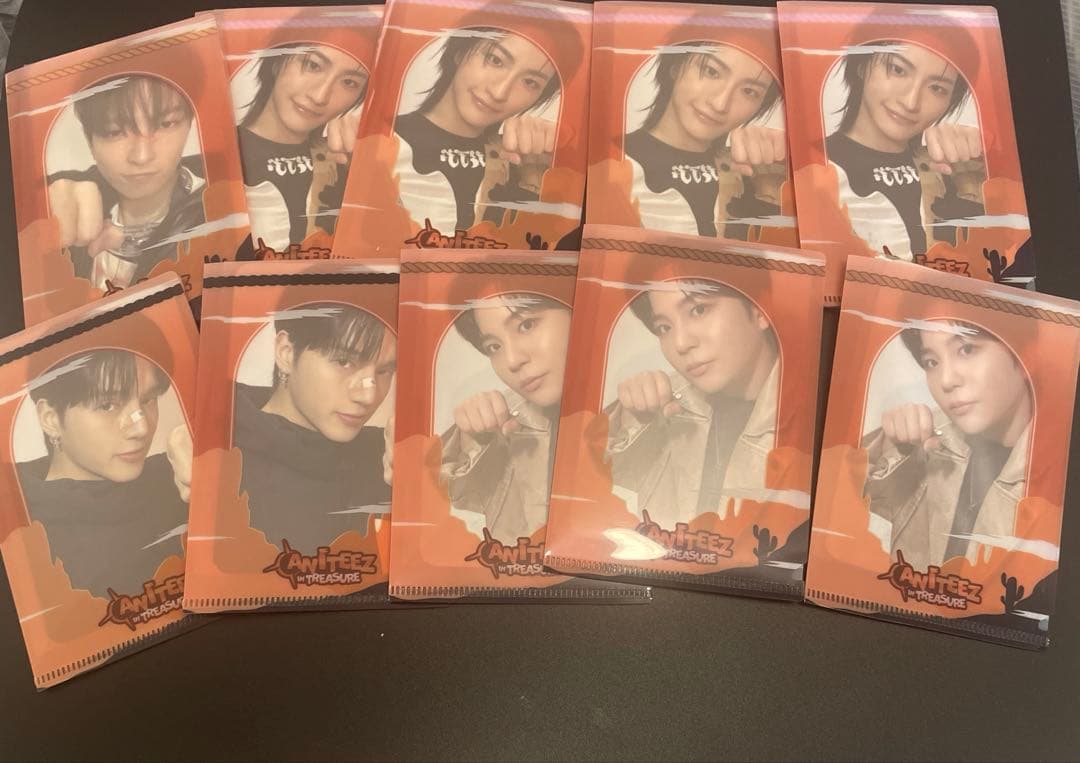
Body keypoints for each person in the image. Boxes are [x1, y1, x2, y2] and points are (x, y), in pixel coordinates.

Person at [17, 349, 192, 598]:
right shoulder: (20, 534)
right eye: (107, 405)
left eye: (148, 399)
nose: (142, 428)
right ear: (51, 419)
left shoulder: (181, 473)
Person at [605, 280, 779, 527]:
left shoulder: (817, 425)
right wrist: (627, 426)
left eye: (699, 310)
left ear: (759, 309)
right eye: (664, 327)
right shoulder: (664, 407)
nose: (680, 343)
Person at [863, 323, 1032, 571]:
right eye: (931, 362)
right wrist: (884, 450)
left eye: (966, 349)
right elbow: (830, 515)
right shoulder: (923, 441)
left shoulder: (1058, 472)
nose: (946, 380)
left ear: (1025, 352)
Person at [232, 302, 397, 551]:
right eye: (344, 361)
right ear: (286, 353)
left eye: (384, 371)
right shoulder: (212, 457)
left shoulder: (388, 456)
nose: (369, 396)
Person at [825, 40, 986, 261]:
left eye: (937, 88)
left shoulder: (954, 172)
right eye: (898, 70)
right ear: (862, 64)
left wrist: (980, 172)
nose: (911, 102)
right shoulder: (809, 165)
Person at [393, 27, 562, 234]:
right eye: (495, 60)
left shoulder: (519, 164)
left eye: (530, 82)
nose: (499, 92)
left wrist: (534, 179)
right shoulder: (377, 140)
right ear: (460, 50)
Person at [47, 75, 206, 290]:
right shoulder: (65, 206)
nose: (141, 156)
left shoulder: (224, 200)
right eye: (114, 132)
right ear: (89, 140)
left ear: (189, 123)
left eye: (165, 124)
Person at [440, 293, 571, 540]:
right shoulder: (504, 427)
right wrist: (471, 444)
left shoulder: (635, 403)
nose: (512, 361)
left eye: (526, 325)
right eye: (494, 346)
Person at [624, 41, 787, 239]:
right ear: (676, 65)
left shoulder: (754, 175)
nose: (720, 104)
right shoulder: (609, 163)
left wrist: (783, 172)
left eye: (749, 91)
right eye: (712, 71)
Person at [238, 43, 369, 249]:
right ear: (277, 61)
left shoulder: (349, 165)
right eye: (313, 65)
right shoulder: (206, 167)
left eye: (349, 82)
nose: (320, 96)